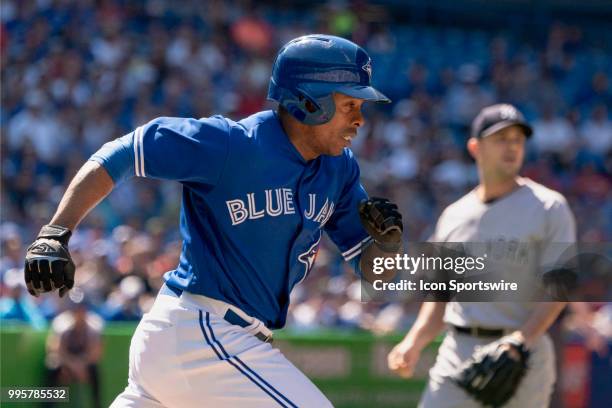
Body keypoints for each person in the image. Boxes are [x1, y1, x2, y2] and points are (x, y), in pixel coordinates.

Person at [23, 34, 403, 407]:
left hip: (201, 342)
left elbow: (376, 274)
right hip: (203, 330)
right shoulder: (231, 144)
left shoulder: (339, 169)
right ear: (309, 101)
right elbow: (123, 151)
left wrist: (387, 243)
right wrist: (56, 232)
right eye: (350, 104)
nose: (360, 119)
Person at [387, 103, 576, 407]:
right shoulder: (453, 215)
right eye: (501, 139)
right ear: (475, 147)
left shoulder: (549, 207)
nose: (511, 146)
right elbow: (439, 297)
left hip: (523, 353)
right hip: (458, 350)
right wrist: (414, 341)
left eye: (517, 139)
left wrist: (521, 341)